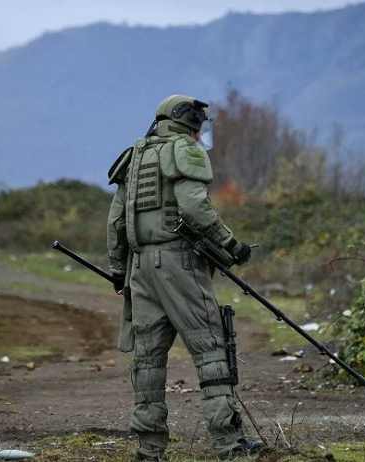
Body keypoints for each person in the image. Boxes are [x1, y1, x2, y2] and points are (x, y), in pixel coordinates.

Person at [106, 94, 264, 460]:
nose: (201, 132)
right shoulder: (184, 150)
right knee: (210, 349)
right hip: (178, 263)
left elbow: (116, 221)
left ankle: (149, 449)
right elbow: (195, 205)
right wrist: (230, 244)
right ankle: (229, 445)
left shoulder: (135, 156)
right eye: (199, 125)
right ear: (188, 121)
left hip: (140, 268)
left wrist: (119, 271)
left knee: (147, 360)